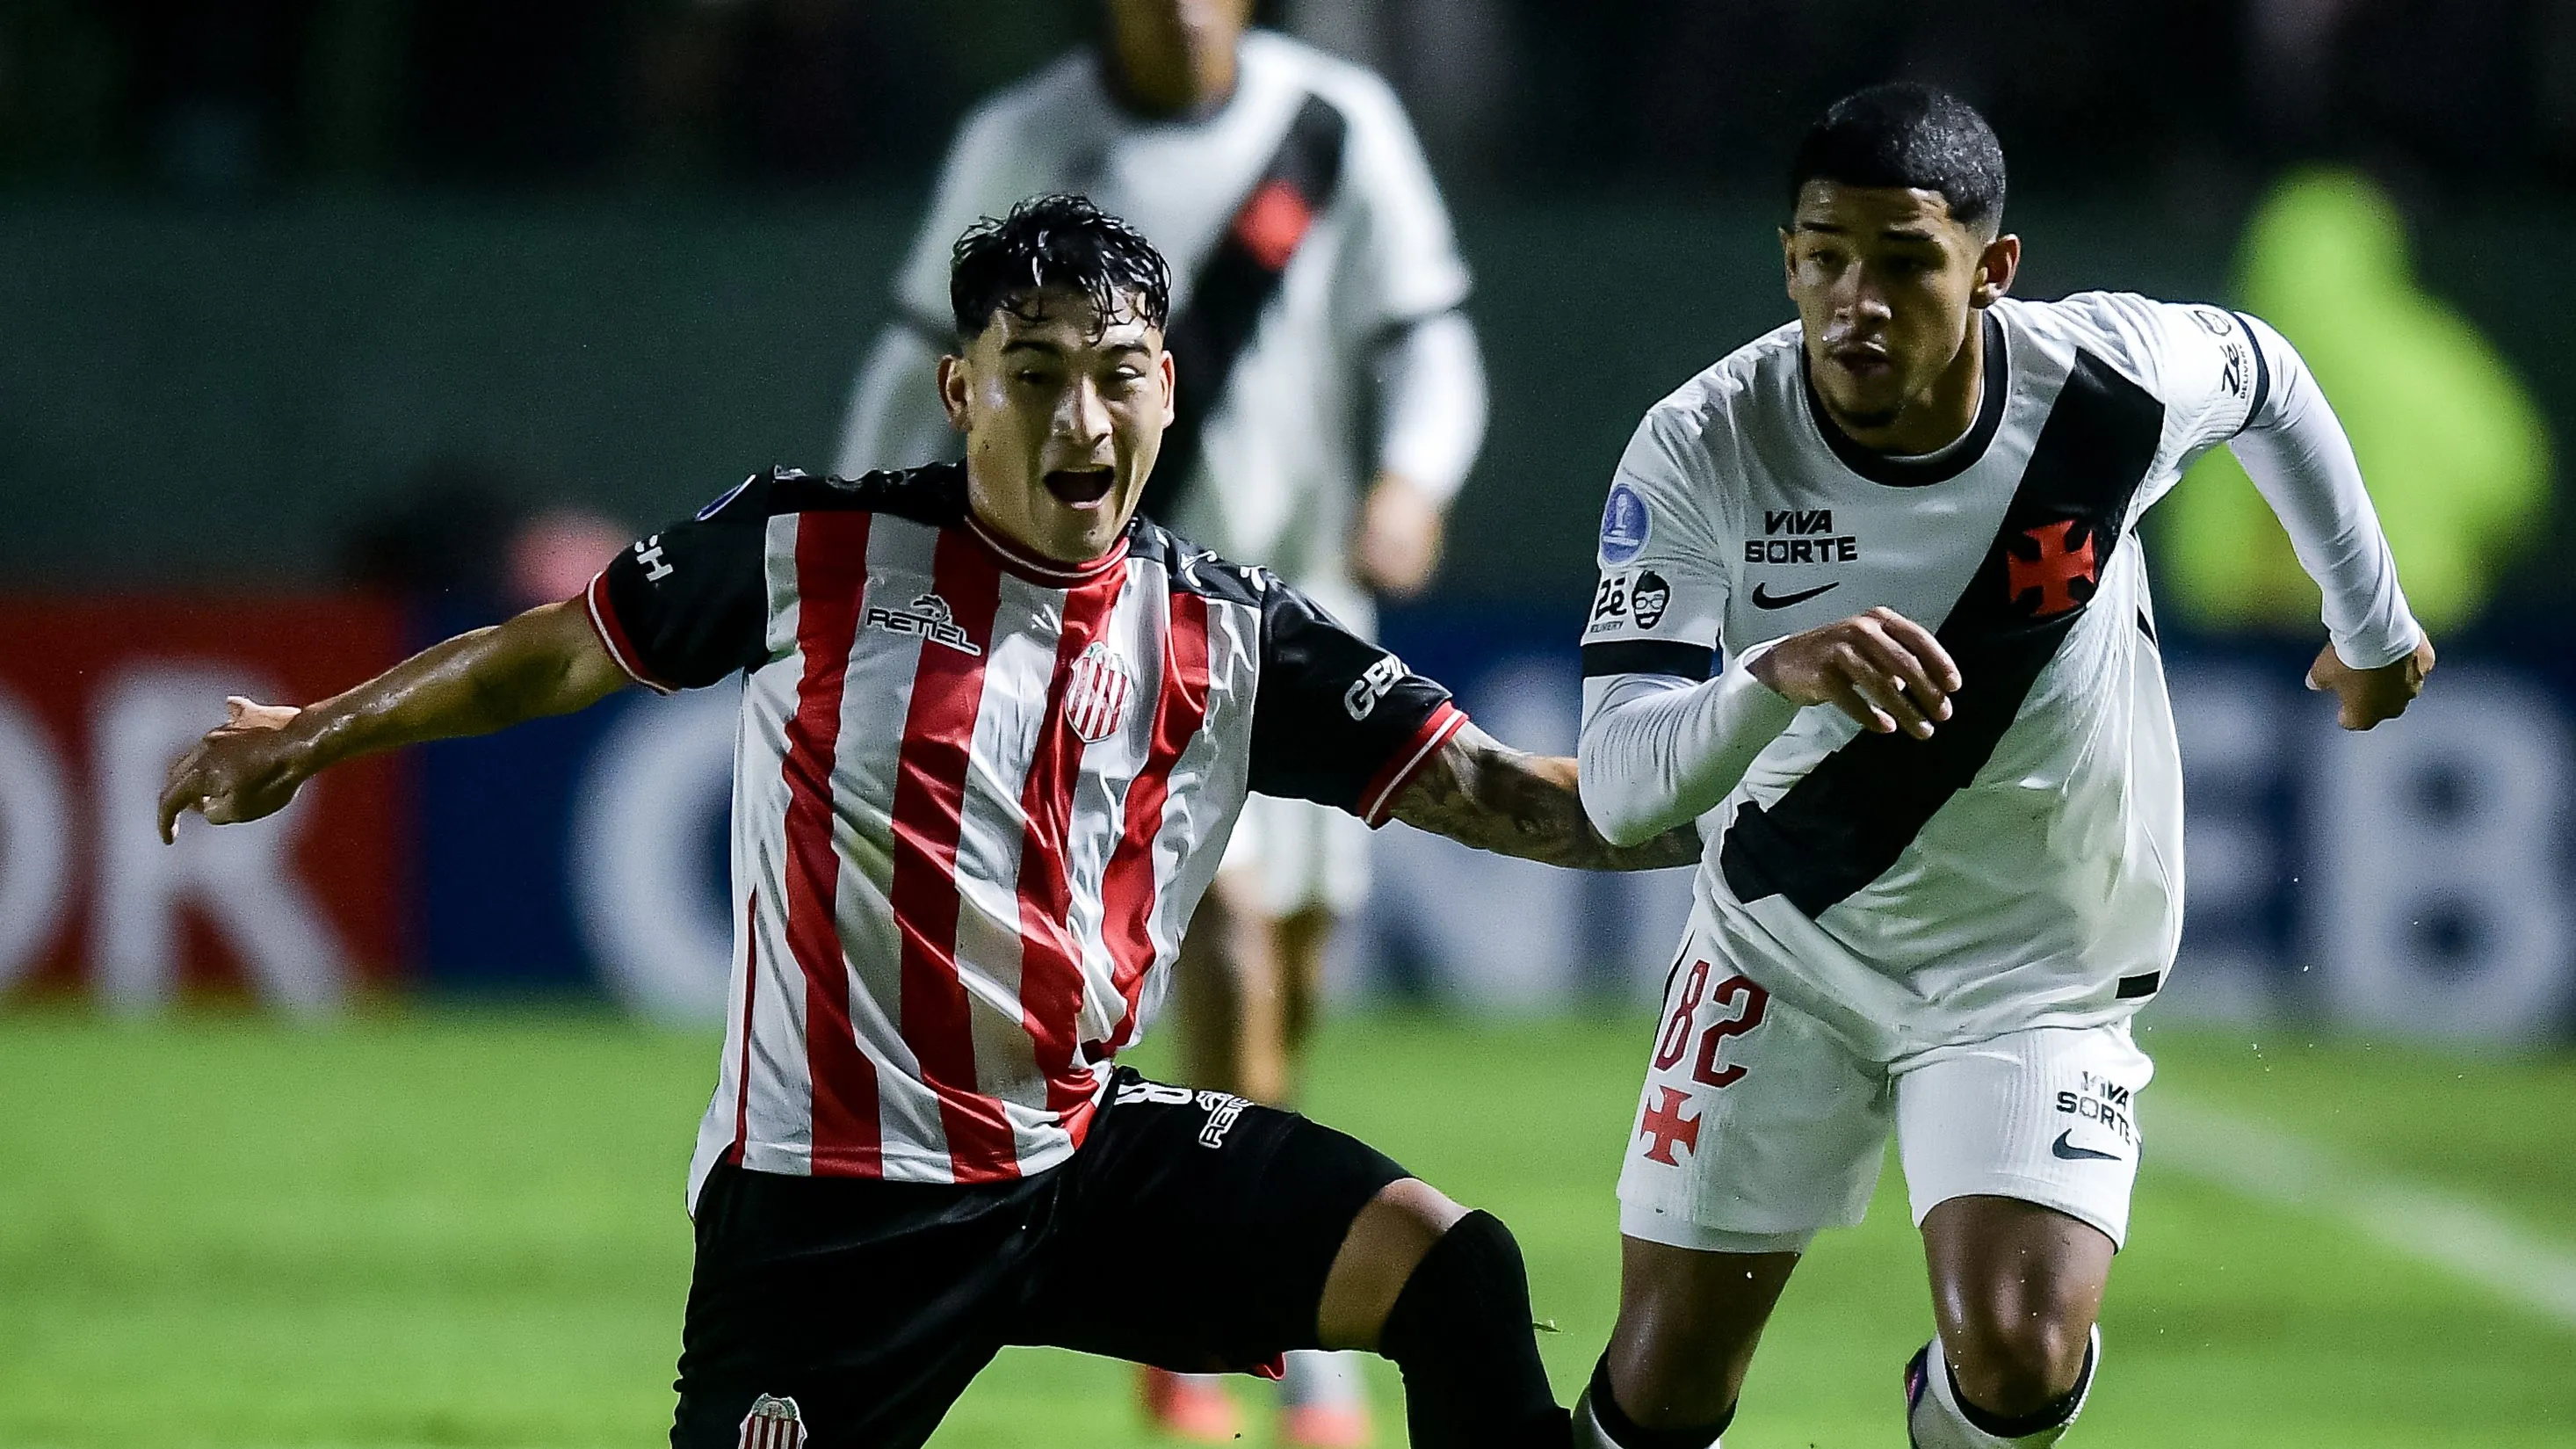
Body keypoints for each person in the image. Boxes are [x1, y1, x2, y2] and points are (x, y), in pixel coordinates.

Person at [160, 195, 1687, 1449]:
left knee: (1453, 1274)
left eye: (1120, 371)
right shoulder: (814, 550)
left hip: (1077, 1157)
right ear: (964, 389)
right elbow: (554, 649)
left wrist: (1745, 800)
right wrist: (316, 731)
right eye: (1035, 372)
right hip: (830, 1215)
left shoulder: (1229, 633)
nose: (1080, 416)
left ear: (1167, 385)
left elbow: (1495, 791)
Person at [1569, 85, 2433, 1449]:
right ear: (1786, 256)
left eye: (1906, 260)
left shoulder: (2106, 387)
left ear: (1994, 268)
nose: (1856, 299)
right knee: (1668, 1373)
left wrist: (2370, 621)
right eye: (1821, 256)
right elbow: (1620, 785)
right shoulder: (1703, 445)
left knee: (2021, 1351)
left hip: (2032, 960)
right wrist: (1769, 676)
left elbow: (2265, 371)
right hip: (1780, 941)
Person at [836, 5, 1486, 1437]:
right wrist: (859, 559)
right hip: (1110, 620)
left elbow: (1432, 342)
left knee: (1290, 985)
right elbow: (910, 366)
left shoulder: (1336, 128)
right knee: (1235, 948)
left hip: (1300, 607)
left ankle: (1229, 1301)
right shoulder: (1024, 142)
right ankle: (1248, 1349)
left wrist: (1416, 482)